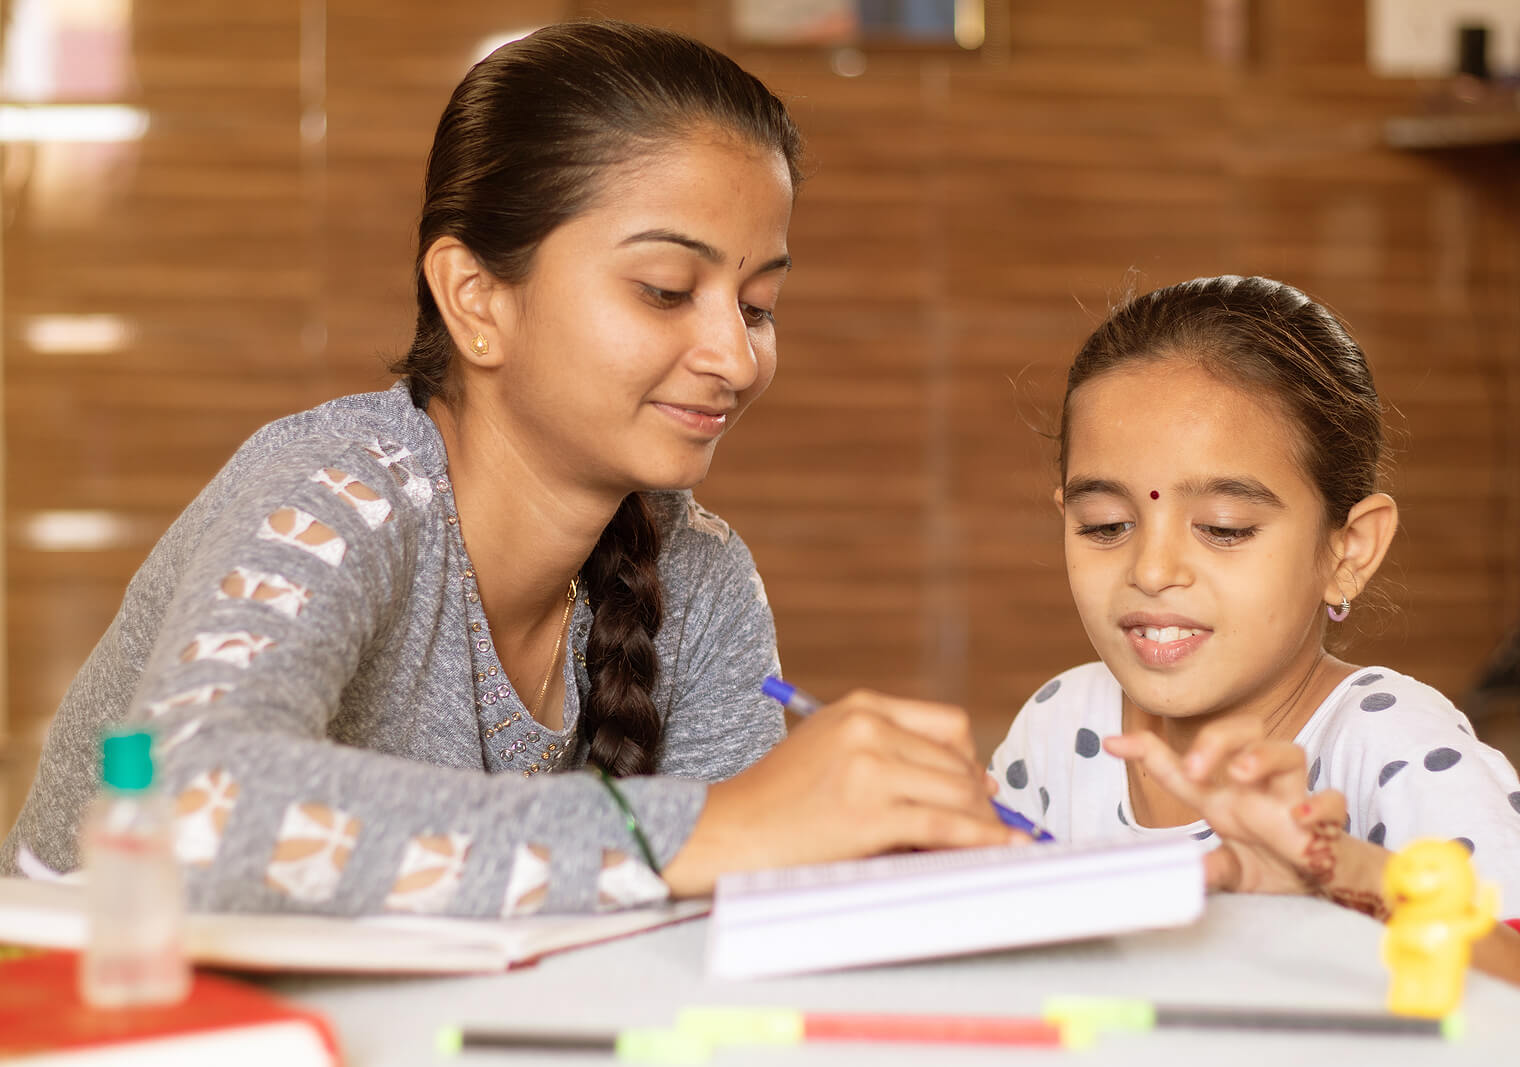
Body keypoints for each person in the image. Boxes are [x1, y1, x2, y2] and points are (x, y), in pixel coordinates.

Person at [1, 20, 1017, 917]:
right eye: (666, 290)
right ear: (477, 298)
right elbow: (192, 807)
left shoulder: (700, 575)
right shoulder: (337, 488)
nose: (738, 355)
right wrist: (706, 828)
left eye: (756, 304)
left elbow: (723, 914)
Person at [990, 274, 1520, 1016]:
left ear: (1349, 548)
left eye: (1223, 528)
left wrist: (1353, 879)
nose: (1150, 570)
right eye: (1105, 525)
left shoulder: (1392, 743)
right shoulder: (1060, 722)